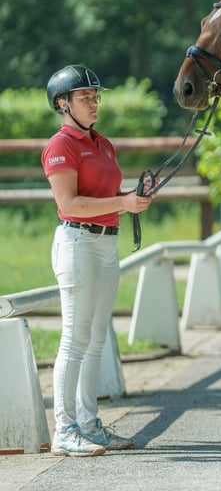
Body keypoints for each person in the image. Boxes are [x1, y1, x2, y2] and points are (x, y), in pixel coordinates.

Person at [42, 65, 154, 457]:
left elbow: (108, 195)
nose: (94, 103)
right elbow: (69, 203)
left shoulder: (103, 144)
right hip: (77, 243)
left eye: (95, 96)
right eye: (84, 97)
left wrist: (133, 196)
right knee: (74, 338)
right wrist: (123, 203)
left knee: (96, 339)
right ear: (63, 103)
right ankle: (64, 429)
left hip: (107, 243)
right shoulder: (61, 146)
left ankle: (89, 424)